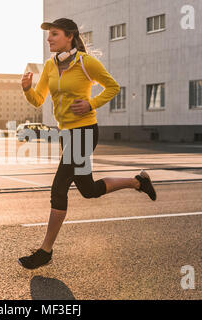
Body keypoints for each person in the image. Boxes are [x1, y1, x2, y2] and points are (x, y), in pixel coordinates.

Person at [18, 18, 157, 270]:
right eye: (48, 35)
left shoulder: (86, 62)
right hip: (66, 134)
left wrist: (91, 104)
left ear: (70, 36)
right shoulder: (50, 66)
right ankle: (138, 181)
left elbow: (113, 87)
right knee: (88, 190)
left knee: (59, 188)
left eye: (54, 34)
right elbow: (39, 100)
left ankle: (45, 251)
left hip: (84, 132)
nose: (49, 39)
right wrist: (28, 89)